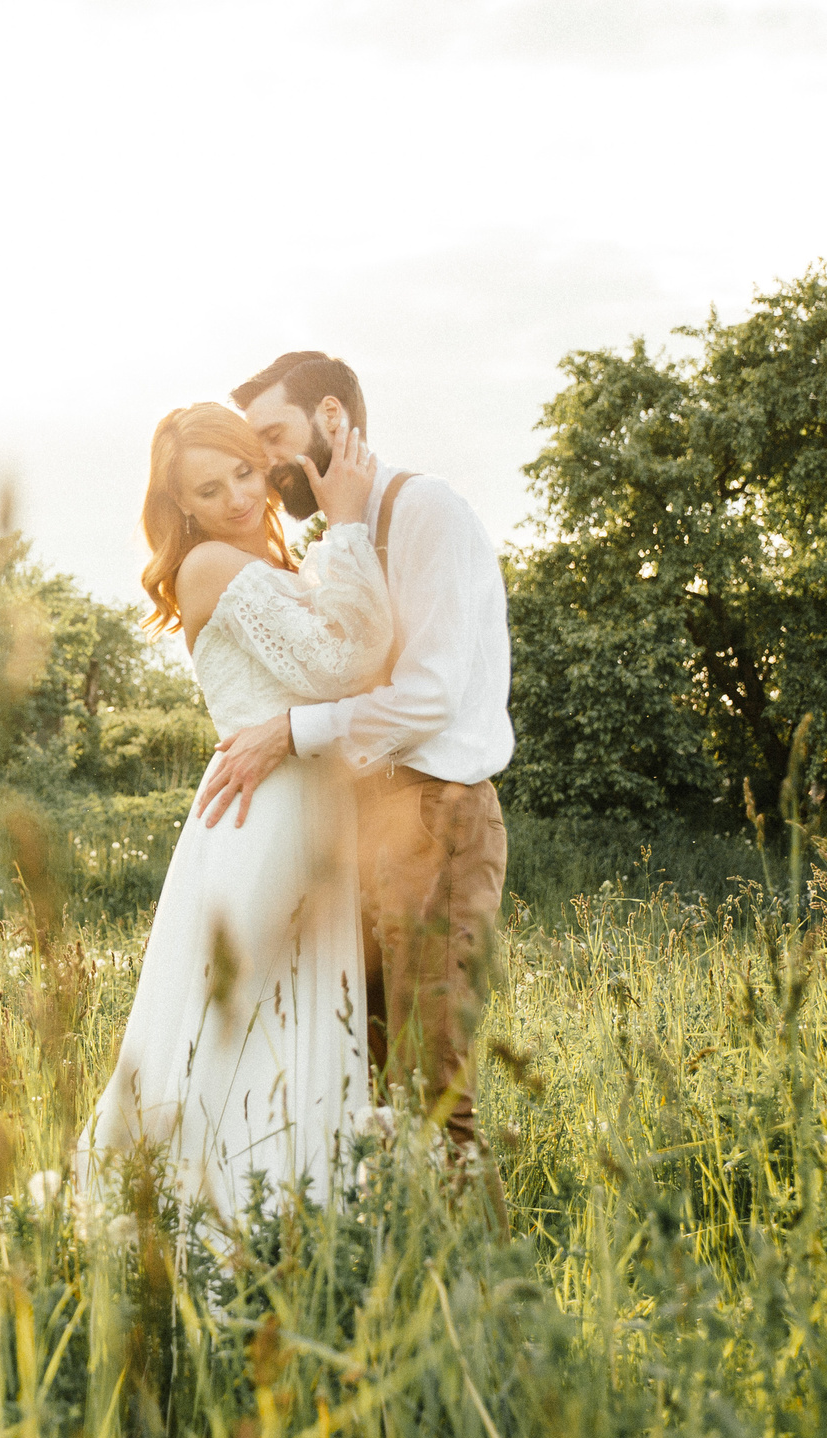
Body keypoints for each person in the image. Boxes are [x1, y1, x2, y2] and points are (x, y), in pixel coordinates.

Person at [199, 351, 514, 1222]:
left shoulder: (426, 512)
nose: (264, 464)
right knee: (368, 1080)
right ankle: (393, 1273)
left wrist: (290, 731)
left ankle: (482, 1282)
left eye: (273, 436)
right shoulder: (334, 542)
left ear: (332, 418)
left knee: (433, 1085)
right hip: (362, 828)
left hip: (438, 815)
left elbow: (430, 695)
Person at [78, 402, 395, 1226]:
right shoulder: (212, 564)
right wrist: (348, 523)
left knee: (291, 1023)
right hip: (266, 814)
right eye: (209, 490)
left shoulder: (273, 566)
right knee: (241, 1024)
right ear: (182, 506)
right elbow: (347, 663)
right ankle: (196, 1225)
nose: (237, 498)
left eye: (245, 473)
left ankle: (284, 1219)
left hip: (305, 807)